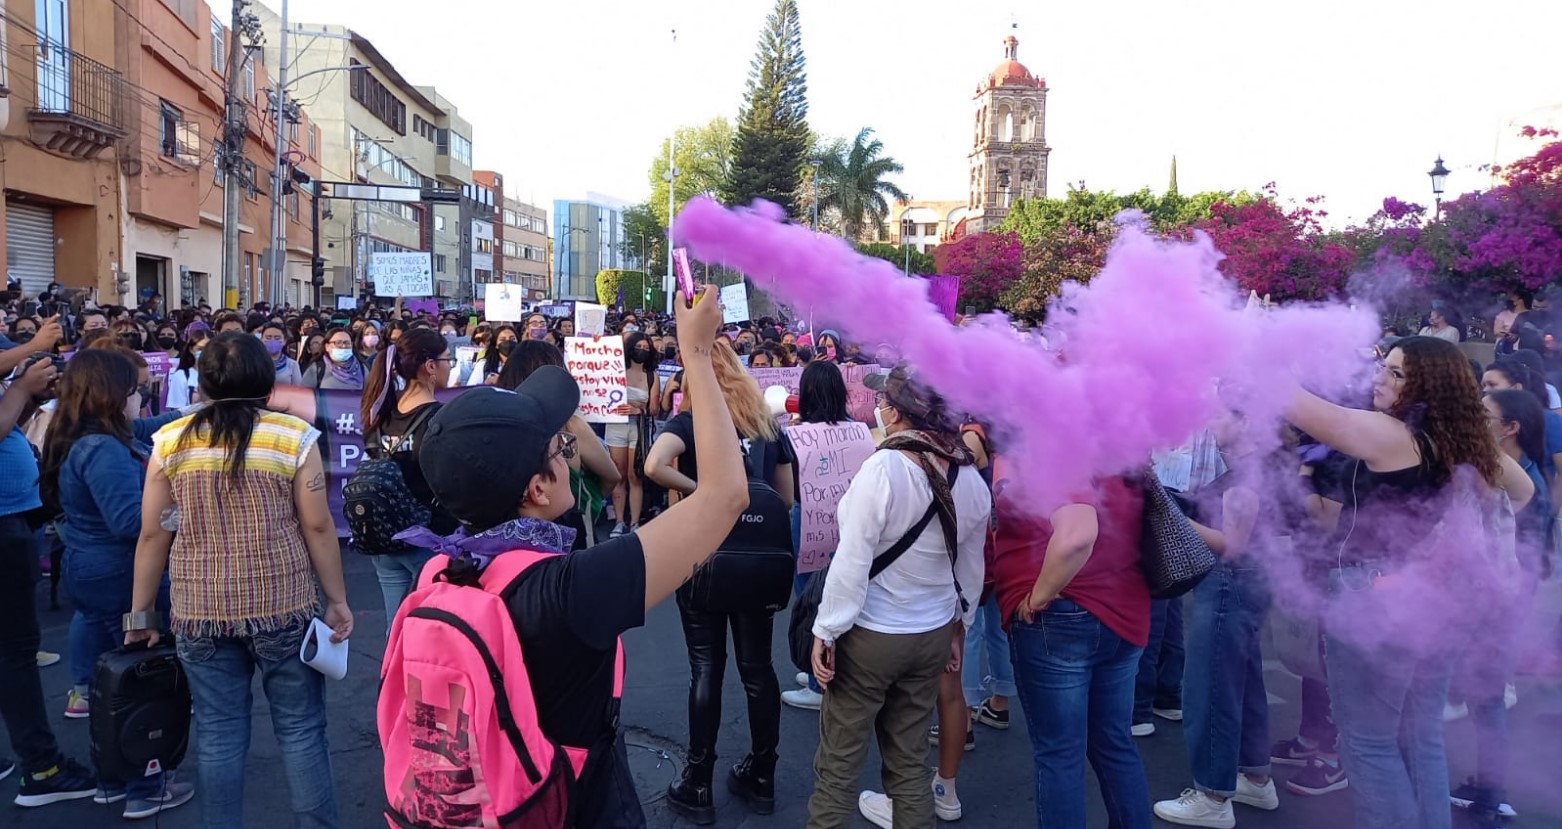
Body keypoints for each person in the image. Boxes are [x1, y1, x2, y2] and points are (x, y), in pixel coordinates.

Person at [402, 285, 749, 827]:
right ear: (538, 489)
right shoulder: (570, 590)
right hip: (573, 802)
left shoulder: (446, 569)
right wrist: (698, 356)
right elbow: (726, 496)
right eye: (561, 449)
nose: (570, 455)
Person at [1283, 335, 1532, 829]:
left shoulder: (1392, 434)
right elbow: (1521, 492)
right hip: (1443, 604)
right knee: (1421, 738)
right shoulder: (1465, 438)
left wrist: (1253, 340)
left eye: (1397, 373)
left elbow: (1289, 400)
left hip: (1378, 597)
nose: (1381, 377)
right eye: (1385, 366)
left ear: (1426, 386)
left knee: (1370, 743)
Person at [126, 332, 354, 829]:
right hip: (283, 605)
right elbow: (317, 525)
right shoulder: (293, 437)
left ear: (204, 382)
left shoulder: (171, 441)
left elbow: (151, 534)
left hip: (198, 609)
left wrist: (141, 614)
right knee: (300, 730)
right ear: (267, 381)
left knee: (219, 733)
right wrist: (336, 599)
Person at [806, 365, 989, 829]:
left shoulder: (885, 467)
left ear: (900, 413)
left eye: (885, 402)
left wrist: (826, 629)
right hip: (929, 634)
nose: (880, 409)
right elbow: (970, 569)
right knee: (908, 762)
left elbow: (852, 558)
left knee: (838, 765)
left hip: (872, 632)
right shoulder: (970, 478)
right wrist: (957, 627)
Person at [38, 349, 196, 817]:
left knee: (117, 682)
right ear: (113, 395)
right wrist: (186, 514)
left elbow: (151, 428)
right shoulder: (102, 450)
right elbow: (131, 520)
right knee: (140, 682)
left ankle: (112, 777)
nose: (140, 398)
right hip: (121, 577)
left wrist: (194, 412)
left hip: (97, 573)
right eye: (135, 390)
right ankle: (144, 784)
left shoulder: (91, 436)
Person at [644, 338, 795, 824]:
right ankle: (763, 772)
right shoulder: (766, 425)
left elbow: (653, 465)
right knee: (758, 669)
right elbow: (786, 498)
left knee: (706, 666)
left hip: (704, 557)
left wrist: (705, 495)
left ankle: (698, 779)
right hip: (757, 562)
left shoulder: (691, 421)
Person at [1153, 414, 1281, 828]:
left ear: (1246, 419)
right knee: (1243, 681)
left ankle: (1211, 795)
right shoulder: (1261, 465)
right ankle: (1255, 776)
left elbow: (1232, 545)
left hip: (1230, 584)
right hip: (1249, 585)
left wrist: (1173, 517)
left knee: (1211, 687)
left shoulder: (1247, 475)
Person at [1447, 389, 1555, 820]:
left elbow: (1519, 561)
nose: (1476, 419)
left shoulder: (1523, 485)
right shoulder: (1511, 472)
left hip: (1495, 609)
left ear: (1512, 428)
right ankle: (1490, 790)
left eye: (1485, 415)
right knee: (1485, 701)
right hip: (1495, 609)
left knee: (1486, 700)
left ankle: (1490, 793)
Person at [0, 356, 102, 808]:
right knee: (15, 655)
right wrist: (21, 388)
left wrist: (24, 394)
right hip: (4, 531)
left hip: (14, 522)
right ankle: (42, 768)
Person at [359, 328, 459, 621]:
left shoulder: (380, 411)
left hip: (386, 535)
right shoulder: (440, 418)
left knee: (397, 626)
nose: (449, 365)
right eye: (446, 359)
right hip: (431, 536)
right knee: (435, 626)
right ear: (430, 366)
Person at [782, 361, 853, 712]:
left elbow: (790, 486)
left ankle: (817, 681)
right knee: (845, 592)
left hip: (809, 520)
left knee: (811, 595)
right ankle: (834, 671)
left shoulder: (798, 435)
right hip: (851, 522)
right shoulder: (857, 431)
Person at [606, 332, 659, 537]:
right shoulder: (615, 371)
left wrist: (640, 409)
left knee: (635, 476)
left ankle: (634, 522)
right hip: (616, 426)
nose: (642, 351)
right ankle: (619, 521)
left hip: (639, 428)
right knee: (618, 475)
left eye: (646, 348)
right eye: (639, 347)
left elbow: (654, 408)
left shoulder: (651, 375)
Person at [165, 330, 211, 409]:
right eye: (200, 349)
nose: (205, 352)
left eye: (209, 348)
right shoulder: (181, 376)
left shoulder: (223, 374)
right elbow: (177, 411)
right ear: (191, 349)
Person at [311, 326, 364, 390]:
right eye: (338, 343)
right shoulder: (316, 369)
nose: (343, 346)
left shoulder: (362, 367)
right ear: (327, 346)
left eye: (347, 343)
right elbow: (303, 395)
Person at [261, 322, 301, 387]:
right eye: (268, 337)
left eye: (277, 338)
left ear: (284, 341)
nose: (272, 340)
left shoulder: (292, 365)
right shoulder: (254, 363)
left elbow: (298, 390)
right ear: (261, 339)